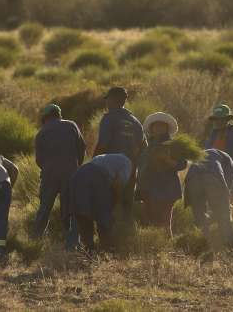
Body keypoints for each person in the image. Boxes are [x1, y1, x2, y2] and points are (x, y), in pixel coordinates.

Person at [32, 103, 86, 241]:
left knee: (44, 208)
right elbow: (82, 148)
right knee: (70, 209)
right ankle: (71, 243)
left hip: (50, 175)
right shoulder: (71, 125)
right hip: (71, 173)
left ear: (45, 117)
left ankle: (35, 240)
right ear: (59, 114)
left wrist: (48, 168)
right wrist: (76, 165)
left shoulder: (41, 133)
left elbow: (39, 160)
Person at [94, 87, 147, 218]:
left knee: (109, 204)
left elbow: (103, 144)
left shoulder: (109, 118)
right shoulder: (135, 121)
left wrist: (94, 162)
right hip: (131, 170)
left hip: (111, 169)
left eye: (107, 99)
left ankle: (109, 236)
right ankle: (125, 235)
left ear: (112, 100)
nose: (106, 103)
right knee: (126, 207)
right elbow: (144, 148)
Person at [69, 153, 132, 252]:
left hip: (78, 176)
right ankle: (106, 249)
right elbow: (119, 184)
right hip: (97, 177)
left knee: (82, 214)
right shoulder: (127, 162)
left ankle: (89, 250)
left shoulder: (105, 158)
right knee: (103, 215)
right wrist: (116, 203)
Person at [136, 112, 186, 237]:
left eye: (161, 126)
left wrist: (168, 161)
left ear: (166, 128)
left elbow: (182, 164)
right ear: (152, 128)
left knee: (164, 222)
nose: (158, 128)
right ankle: (156, 247)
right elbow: (142, 165)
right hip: (149, 189)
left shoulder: (173, 145)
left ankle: (166, 249)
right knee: (151, 221)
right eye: (156, 126)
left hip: (166, 190)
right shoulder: (149, 146)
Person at [204, 104, 233, 220]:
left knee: (230, 210)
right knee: (215, 209)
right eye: (216, 119)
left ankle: (231, 233)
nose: (218, 122)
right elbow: (206, 155)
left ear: (227, 119)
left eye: (221, 119)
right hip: (214, 179)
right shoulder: (212, 135)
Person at [184, 148, 233, 244]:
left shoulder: (205, 153)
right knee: (223, 213)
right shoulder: (228, 159)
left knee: (200, 215)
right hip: (212, 175)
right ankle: (228, 244)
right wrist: (227, 203)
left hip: (192, 179)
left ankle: (203, 243)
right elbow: (228, 186)